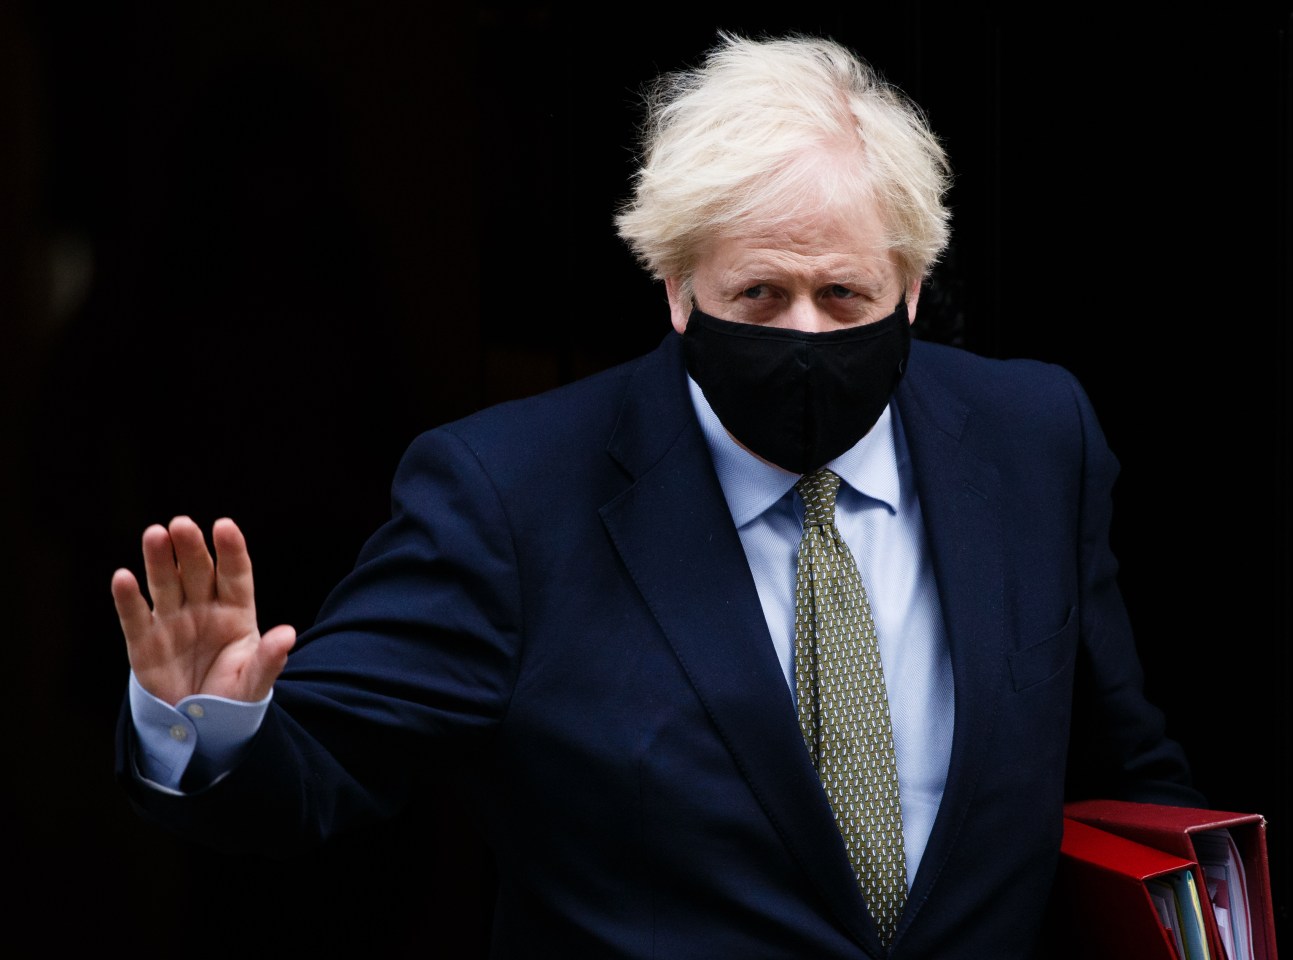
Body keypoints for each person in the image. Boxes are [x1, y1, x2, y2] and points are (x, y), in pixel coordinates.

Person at [112, 31, 1204, 958]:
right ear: (679, 288)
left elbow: (1122, 770)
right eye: (759, 294)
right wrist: (207, 725)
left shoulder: (1032, 440)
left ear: (914, 288)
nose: (806, 337)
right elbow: (321, 771)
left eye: (844, 294)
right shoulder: (509, 495)